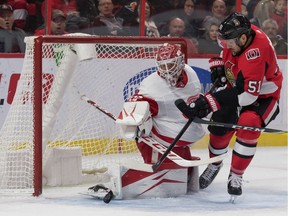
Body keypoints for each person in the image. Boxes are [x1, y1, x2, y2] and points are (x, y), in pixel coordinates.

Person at [179, 12, 283, 198]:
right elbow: (227, 51)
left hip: (263, 95)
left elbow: (248, 97)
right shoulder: (240, 36)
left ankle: (236, 174)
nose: (227, 44)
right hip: (240, 87)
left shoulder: (256, 53)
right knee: (220, 123)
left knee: (248, 123)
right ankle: (215, 163)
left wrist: (210, 102)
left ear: (243, 38)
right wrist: (219, 64)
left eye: (230, 42)